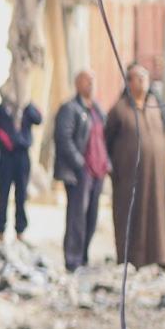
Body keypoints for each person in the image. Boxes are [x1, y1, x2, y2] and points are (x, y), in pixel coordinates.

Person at [104, 64, 165, 270]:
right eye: (139, 78)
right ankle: (132, 259)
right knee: (132, 214)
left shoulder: (154, 105)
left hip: (154, 175)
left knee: (156, 212)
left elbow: (163, 128)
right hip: (129, 176)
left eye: (145, 78)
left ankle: (160, 256)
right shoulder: (119, 110)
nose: (143, 81)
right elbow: (106, 140)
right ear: (129, 82)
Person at [52, 71, 108, 273]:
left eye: (93, 80)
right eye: (87, 81)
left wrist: (106, 163)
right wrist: (80, 163)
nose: (91, 84)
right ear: (77, 84)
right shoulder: (70, 108)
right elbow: (63, 138)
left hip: (97, 171)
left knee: (92, 217)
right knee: (76, 217)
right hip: (80, 172)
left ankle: (84, 257)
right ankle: (72, 259)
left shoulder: (98, 110)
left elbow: (105, 138)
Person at [0, 88, 43, 244]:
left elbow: (39, 119)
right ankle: (1, 230)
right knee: (3, 194)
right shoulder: (0, 110)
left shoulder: (26, 110)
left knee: (21, 195)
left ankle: (20, 231)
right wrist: (10, 143)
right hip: (6, 157)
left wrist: (27, 104)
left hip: (22, 156)